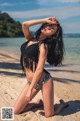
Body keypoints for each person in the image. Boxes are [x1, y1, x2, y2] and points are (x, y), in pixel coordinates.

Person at [13, 17, 68, 117]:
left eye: (52, 29)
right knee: (15, 111)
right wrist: (45, 20)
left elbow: (39, 69)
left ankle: (62, 105)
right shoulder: (30, 38)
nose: (48, 28)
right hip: (31, 81)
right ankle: (38, 104)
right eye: (48, 25)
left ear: (52, 35)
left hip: (44, 80)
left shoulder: (43, 46)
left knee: (49, 114)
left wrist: (30, 90)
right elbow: (24, 24)